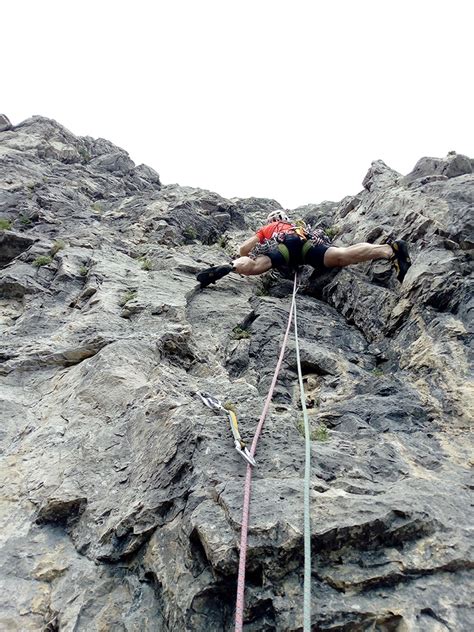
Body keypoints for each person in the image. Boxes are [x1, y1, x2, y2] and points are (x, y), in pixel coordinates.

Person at [196, 210, 411, 288]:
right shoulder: (297, 225)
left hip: (284, 248)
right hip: (308, 243)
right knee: (342, 255)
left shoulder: (269, 227)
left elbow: (244, 249)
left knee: (254, 265)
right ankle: (389, 251)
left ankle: (230, 268)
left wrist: (247, 253)